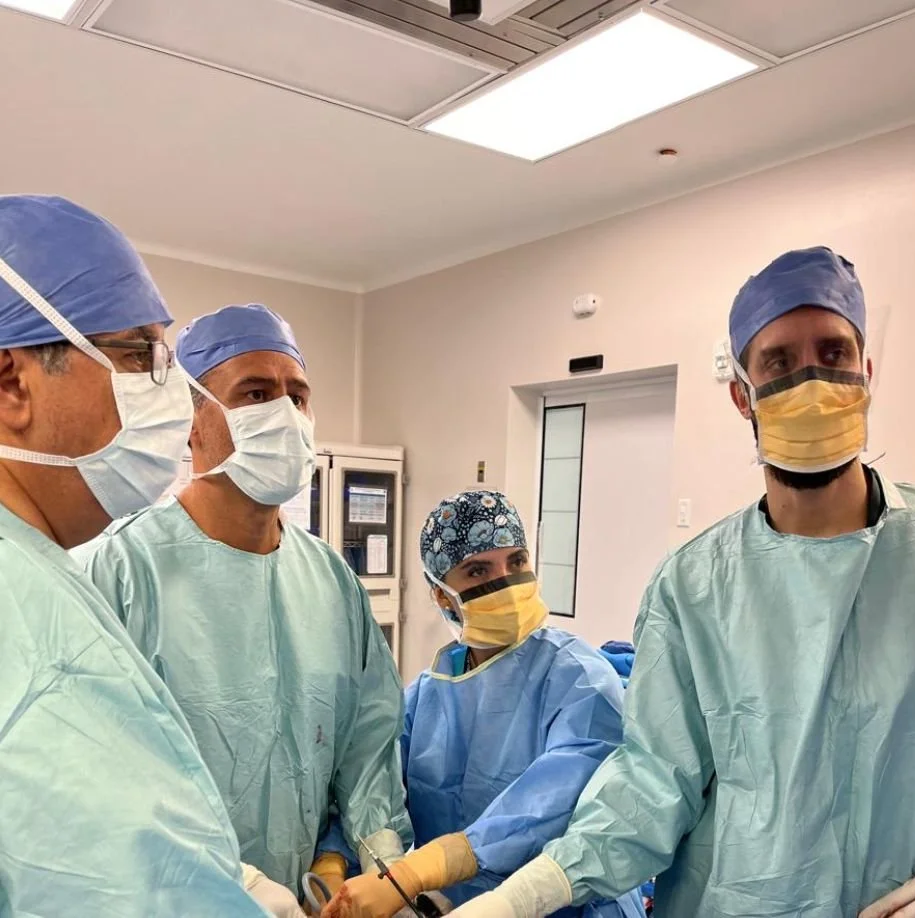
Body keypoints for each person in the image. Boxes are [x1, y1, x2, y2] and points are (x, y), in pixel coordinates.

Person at [442, 247, 915, 918]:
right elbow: (649, 787)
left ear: (865, 373)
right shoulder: (694, 587)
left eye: (834, 352)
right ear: (742, 394)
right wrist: (515, 901)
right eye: (779, 363)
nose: (811, 380)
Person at [78, 303, 412, 903]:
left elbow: (368, 751)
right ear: (191, 416)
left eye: (298, 396)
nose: (285, 415)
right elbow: (99, 777)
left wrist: (381, 872)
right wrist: (233, 885)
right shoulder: (126, 571)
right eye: (255, 394)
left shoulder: (331, 579)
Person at [0, 194, 274, 916]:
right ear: (11, 383)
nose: (173, 396)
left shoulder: (40, 569)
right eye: (136, 354)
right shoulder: (30, 631)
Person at [322, 490, 645, 918]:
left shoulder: (580, 679)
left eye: (516, 562)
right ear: (441, 595)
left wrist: (422, 870)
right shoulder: (428, 695)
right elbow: (371, 782)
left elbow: (555, 806)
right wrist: (335, 858)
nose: (506, 584)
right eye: (477, 570)